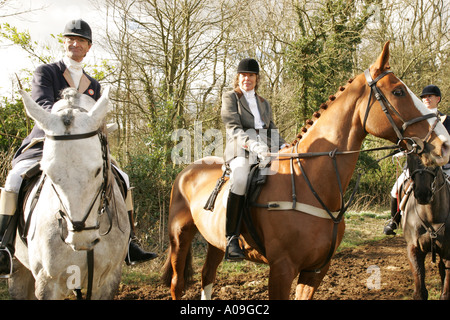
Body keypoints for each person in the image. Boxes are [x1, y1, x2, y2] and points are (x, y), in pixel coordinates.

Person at [0, 19, 156, 274]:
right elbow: (42, 107)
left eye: (81, 40)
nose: (75, 44)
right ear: (64, 43)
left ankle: (129, 243)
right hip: (46, 144)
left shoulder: (93, 85)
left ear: (88, 47)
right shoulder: (46, 72)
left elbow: (96, 120)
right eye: (70, 39)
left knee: (123, 178)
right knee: (14, 180)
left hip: (84, 149)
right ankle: (3, 246)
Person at [221, 58, 287, 260]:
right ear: (238, 77)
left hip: (266, 150)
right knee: (240, 178)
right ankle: (232, 237)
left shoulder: (264, 103)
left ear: (257, 78)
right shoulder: (230, 97)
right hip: (241, 150)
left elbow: (271, 130)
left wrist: (285, 146)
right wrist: (254, 145)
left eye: (250, 75)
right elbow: (233, 128)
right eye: (243, 75)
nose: (246, 79)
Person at [384, 84, 450, 235]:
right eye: (424, 97)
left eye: (429, 96)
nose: (426, 99)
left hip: (442, 166)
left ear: (437, 99)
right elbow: (407, 140)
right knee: (395, 189)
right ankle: (394, 221)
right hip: (416, 167)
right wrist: (399, 151)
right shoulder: (416, 121)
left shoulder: (446, 120)